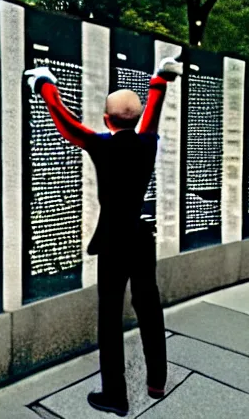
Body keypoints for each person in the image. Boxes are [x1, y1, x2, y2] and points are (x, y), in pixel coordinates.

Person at [24, 55, 183, 417]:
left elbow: (67, 124)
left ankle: (115, 395)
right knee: (149, 307)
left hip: (113, 240)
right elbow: (153, 115)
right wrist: (159, 82)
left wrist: (45, 85)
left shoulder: (101, 145)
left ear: (107, 120)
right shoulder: (148, 144)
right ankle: (156, 381)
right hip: (142, 238)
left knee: (110, 318)